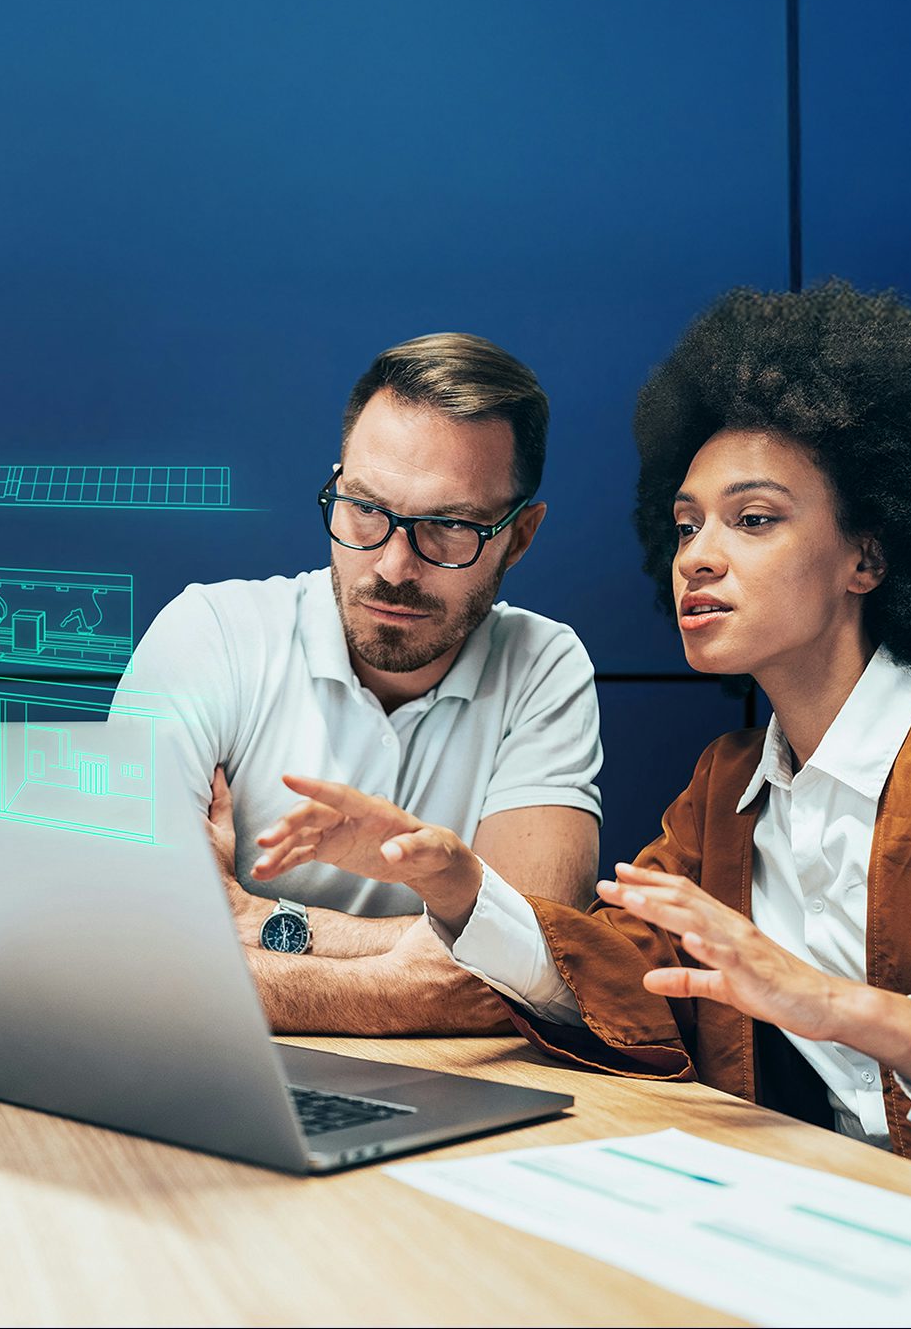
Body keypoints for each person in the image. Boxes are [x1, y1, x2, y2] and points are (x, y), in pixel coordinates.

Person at [252, 282, 911, 1216]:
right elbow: (616, 987)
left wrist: (844, 1010)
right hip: (817, 1222)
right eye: (687, 526)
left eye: (753, 519)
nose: (696, 556)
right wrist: (459, 886)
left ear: (870, 557)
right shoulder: (724, 790)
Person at [112, 333, 601, 1036]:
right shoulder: (209, 634)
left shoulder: (541, 665)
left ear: (519, 537)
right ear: (337, 485)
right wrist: (402, 983)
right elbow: (126, 944)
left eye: (448, 526)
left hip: (460, 1096)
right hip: (219, 1070)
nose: (394, 566)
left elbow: (540, 968)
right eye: (365, 509)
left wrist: (262, 921)